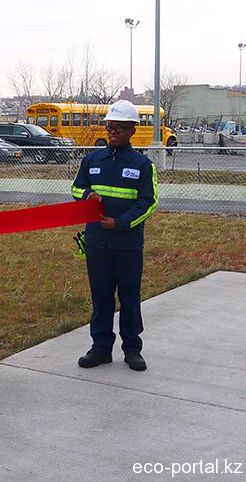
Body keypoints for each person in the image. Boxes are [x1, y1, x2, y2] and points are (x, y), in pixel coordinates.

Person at [71, 99, 158, 372]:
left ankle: (132, 349)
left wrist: (119, 223)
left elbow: (149, 202)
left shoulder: (143, 165)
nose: (113, 132)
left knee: (129, 297)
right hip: (97, 242)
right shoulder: (92, 160)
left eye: (120, 127)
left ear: (132, 130)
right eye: (109, 126)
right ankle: (100, 348)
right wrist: (87, 195)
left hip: (128, 244)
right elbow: (75, 189)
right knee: (101, 297)